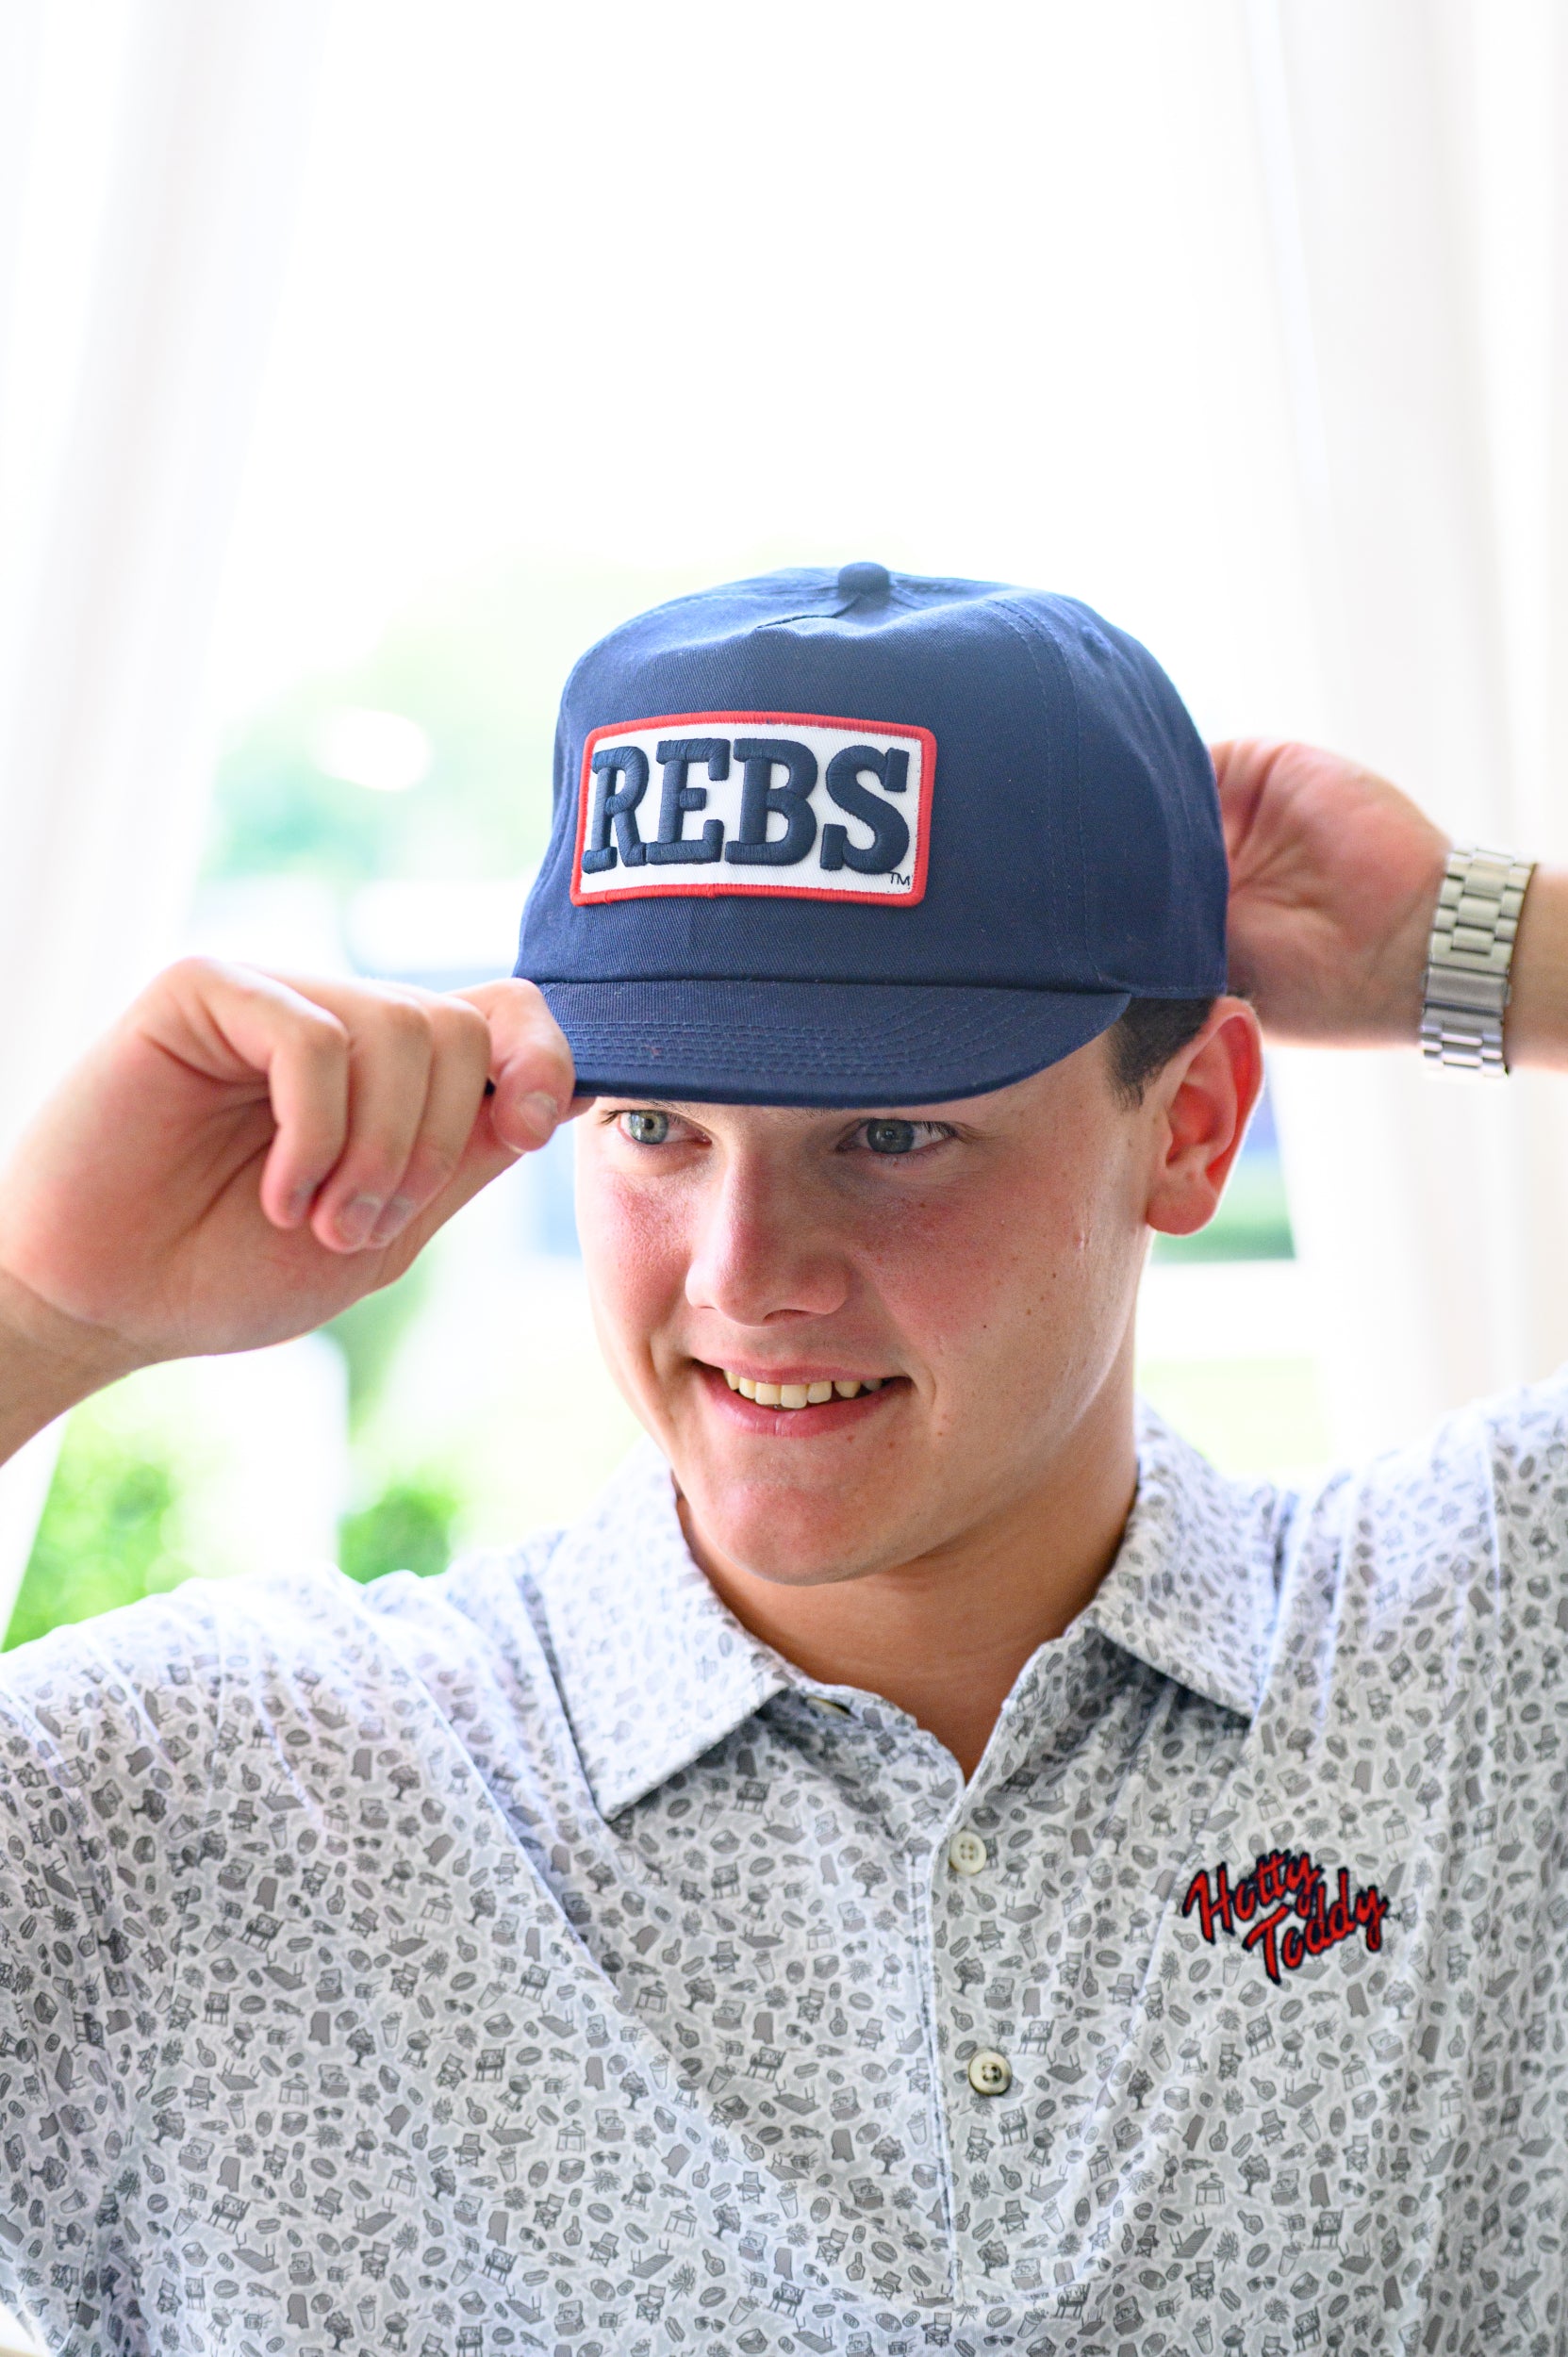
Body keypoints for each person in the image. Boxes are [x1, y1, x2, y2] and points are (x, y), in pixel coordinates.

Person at [0, 564, 1561, 2357]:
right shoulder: (204, 1809)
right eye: (652, 1124)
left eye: (894, 1135)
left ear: (1192, 1125)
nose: (744, 1277)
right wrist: (40, 1314)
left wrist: (1476, 950)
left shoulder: (1494, 1647)